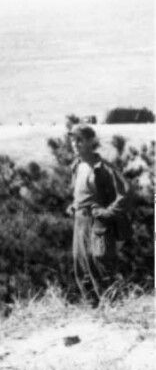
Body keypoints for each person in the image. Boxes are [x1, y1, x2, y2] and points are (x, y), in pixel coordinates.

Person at [67, 124, 129, 306]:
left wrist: (107, 212)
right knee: (81, 267)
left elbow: (125, 194)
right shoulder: (77, 166)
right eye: (73, 140)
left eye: (80, 140)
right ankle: (93, 309)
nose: (75, 144)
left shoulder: (104, 167)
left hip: (98, 225)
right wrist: (74, 206)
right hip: (80, 223)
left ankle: (113, 309)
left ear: (90, 141)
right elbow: (81, 192)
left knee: (100, 266)